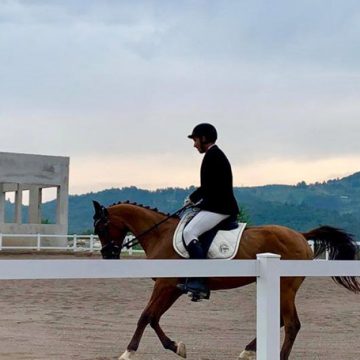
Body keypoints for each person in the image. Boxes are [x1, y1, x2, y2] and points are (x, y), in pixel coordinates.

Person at [178, 123, 239, 301]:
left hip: (220, 208)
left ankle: (199, 280)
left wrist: (193, 198)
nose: (194, 144)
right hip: (216, 205)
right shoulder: (214, 155)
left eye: (195, 140)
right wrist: (195, 201)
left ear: (203, 139)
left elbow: (209, 187)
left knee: (189, 231)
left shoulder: (213, 156)